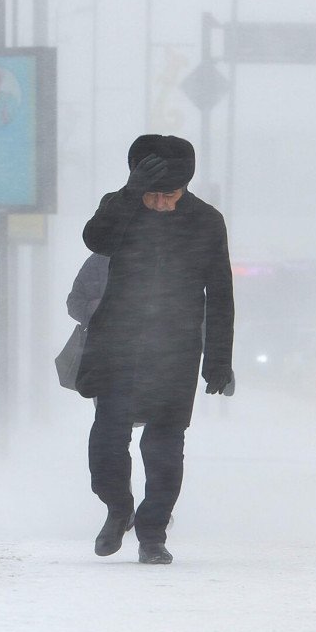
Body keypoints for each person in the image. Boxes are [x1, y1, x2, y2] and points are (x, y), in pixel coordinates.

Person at [75, 134, 235, 565]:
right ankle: (117, 507)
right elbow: (96, 240)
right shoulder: (122, 207)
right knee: (108, 439)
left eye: (171, 196)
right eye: (153, 195)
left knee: (164, 447)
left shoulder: (205, 221)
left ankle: (152, 533)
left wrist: (219, 359)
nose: (162, 203)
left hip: (176, 348)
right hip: (117, 344)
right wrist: (130, 196)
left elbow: (219, 293)